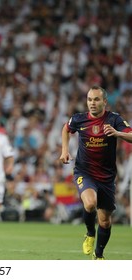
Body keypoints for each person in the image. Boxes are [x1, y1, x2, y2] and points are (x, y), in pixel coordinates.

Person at [59, 85, 132, 260]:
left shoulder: (114, 120)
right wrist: (64, 150)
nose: (92, 103)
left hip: (106, 177)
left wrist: (117, 133)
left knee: (105, 221)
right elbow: (66, 129)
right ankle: (90, 233)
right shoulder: (79, 119)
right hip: (85, 171)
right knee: (90, 203)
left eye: (96, 99)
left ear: (104, 102)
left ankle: (98, 255)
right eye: (90, 99)